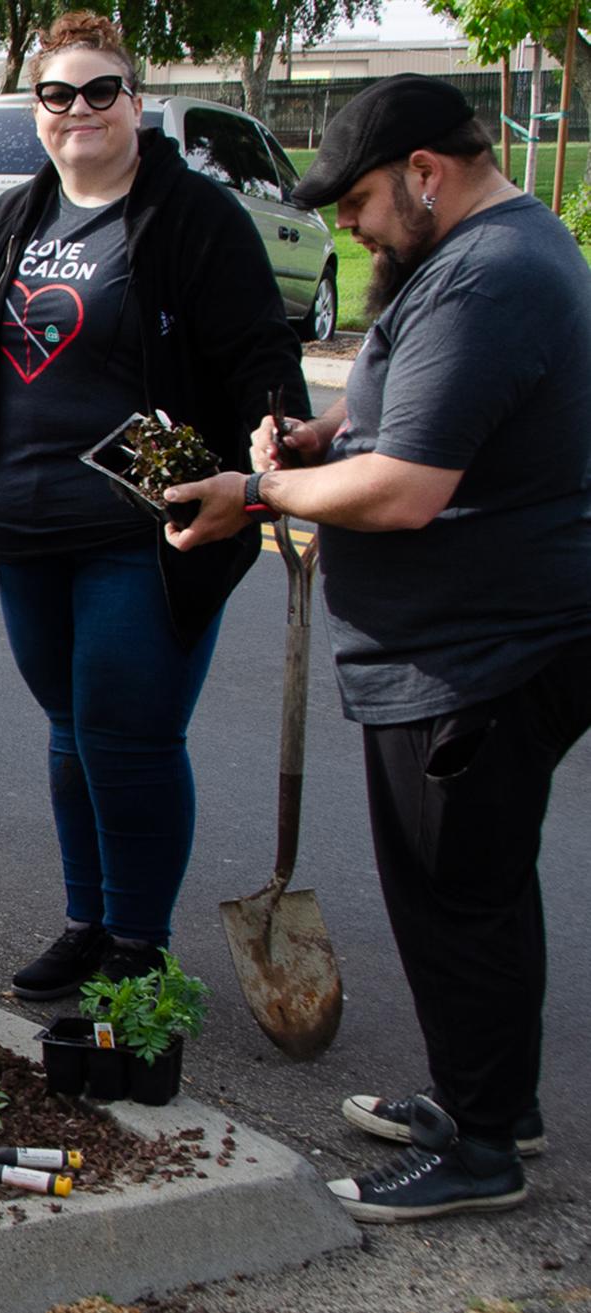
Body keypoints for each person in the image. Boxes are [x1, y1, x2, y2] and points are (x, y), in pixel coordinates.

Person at [165, 74, 591, 1223]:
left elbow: (405, 491)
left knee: (454, 894)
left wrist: (259, 485)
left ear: (424, 172)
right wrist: (318, 436)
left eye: (352, 201)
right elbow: (411, 425)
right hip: (478, 638)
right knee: (480, 887)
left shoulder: (490, 275)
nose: (343, 225)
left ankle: (482, 1149)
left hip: (478, 651)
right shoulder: (485, 256)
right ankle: (488, 1097)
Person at [0, 10, 308, 998]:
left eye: (99, 91)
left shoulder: (192, 218)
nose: (77, 110)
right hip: (27, 528)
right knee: (72, 728)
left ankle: (138, 943)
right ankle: (88, 922)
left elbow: (262, 357)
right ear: (34, 107)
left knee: (128, 729)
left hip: (150, 527)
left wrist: (275, 451)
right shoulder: (8, 224)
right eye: (56, 94)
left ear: (133, 100)